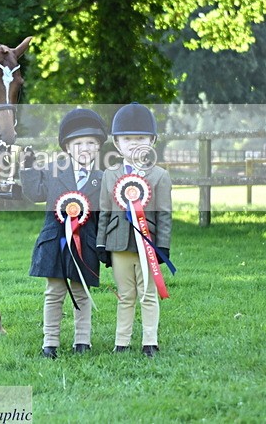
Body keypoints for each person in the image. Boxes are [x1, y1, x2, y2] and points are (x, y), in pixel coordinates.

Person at [20, 109, 107, 358]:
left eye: (91, 143)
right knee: (54, 292)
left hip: (85, 243)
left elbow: (103, 215)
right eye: (78, 143)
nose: (85, 148)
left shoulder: (102, 179)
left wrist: (103, 246)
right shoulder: (52, 170)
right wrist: (27, 169)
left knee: (82, 291)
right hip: (54, 241)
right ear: (68, 148)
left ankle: (82, 341)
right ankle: (50, 342)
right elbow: (35, 193)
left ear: (99, 147)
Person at [96, 102, 173, 358]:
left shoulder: (160, 176)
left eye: (140, 138)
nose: (133, 144)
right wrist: (101, 243)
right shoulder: (110, 174)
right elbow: (104, 212)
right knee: (125, 295)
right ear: (117, 144)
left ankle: (150, 341)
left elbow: (164, 214)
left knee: (148, 294)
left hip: (147, 245)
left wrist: (162, 246)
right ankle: (122, 341)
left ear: (152, 140)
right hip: (118, 243)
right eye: (127, 139)